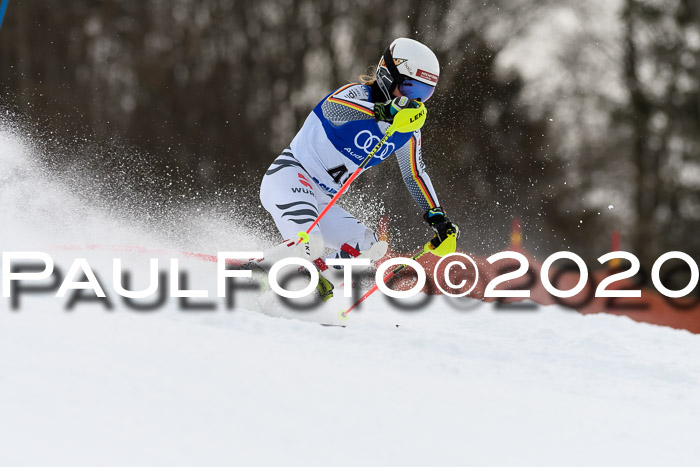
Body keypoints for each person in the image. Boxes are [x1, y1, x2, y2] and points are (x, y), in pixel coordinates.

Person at [259, 37, 459, 301]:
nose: (415, 102)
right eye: (410, 89)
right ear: (388, 77)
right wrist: (383, 111)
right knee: (311, 243)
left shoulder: (408, 131)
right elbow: (333, 110)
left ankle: (308, 290)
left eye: (424, 95)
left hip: (323, 201)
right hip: (289, 177)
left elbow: (414, 173)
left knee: (370, 247)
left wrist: (438, 218)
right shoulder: (356, 95)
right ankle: (255, 281)